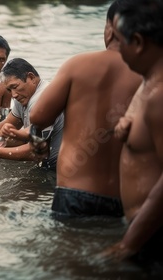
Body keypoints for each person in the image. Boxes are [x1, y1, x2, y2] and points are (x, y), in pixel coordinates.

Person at [29, 0, 142, 218]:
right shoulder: (150, 76)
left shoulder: (78, 65)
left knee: (69, 249)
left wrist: (38, 143)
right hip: (124, 199)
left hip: (74, 190)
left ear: (110, 29)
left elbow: (38, 116)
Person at [102, 0, 163, 261]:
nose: (114, 47)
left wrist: (130, 242)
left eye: (118, 39)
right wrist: (129, 118)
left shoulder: (159, 98)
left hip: (150, 235)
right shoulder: (150, 83)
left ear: (137, 42)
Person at [0, 58, 64, 171]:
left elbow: (35, 151)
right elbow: (6, 124)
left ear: (31, 78)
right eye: (9, 90)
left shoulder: (44, 99)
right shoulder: (24, 97)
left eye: (15, 87)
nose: (13, 95)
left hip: (63, 169)